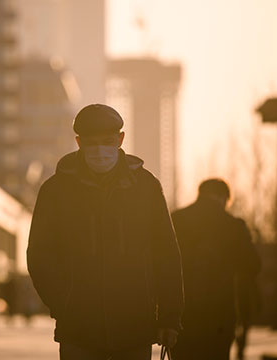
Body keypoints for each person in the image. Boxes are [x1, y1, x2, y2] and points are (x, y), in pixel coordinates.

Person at [27, 104, 184, 360]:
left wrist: (169, 317)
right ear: (79, 143)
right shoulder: (55, 191)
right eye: (91, 143)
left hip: (134, 326)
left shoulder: (145, 187)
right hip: (78, 329)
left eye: (107, 142)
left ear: (121, 139)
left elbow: (166, 254)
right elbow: (39, 255)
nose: (100, 151)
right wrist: (62, 303)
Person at [171, 179, 261, 360]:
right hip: (219, 316)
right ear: (222, 198)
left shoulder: (176, 219)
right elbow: (252, 265)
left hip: (181, 313)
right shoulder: (233, 225)